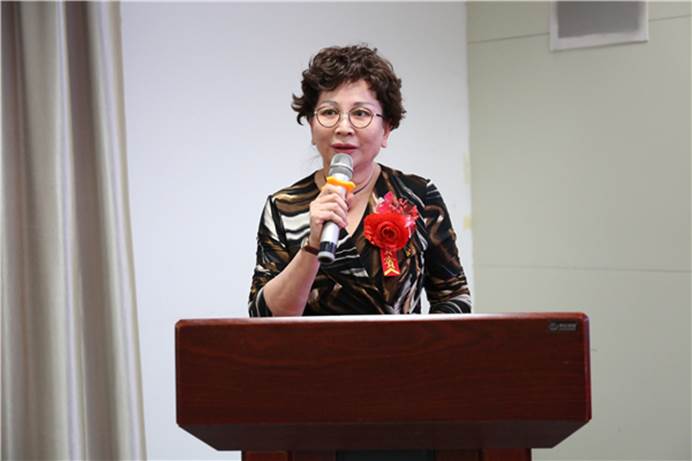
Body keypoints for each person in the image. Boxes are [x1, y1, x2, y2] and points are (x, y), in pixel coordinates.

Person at [249, 45, 471, 317]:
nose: (343, 127)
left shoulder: (418, 195)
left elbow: (454, 295)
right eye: (329, 112)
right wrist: (313, 245)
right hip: (314, 347)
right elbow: (263, 317)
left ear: (386, 129)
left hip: (407, 347)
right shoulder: (283, 207)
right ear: (311, 126)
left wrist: (424, 341)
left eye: (360, 113)